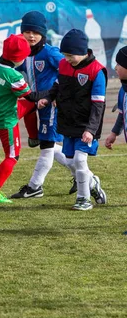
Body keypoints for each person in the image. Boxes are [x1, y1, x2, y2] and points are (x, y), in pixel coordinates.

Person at [37, 29, 107, 211]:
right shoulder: (64, 65)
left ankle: (83, 199)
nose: (67, 59)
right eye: (65, 55)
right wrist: (48, 98)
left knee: (80, 160)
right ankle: (92, 182)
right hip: (67, 122)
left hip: (86, 125)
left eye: (70, 55)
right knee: (70, 161)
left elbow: (98, 105)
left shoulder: (97, 71)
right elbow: (57, 86)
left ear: (83, 51)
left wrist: (91, 130)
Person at [11, 11, 77, 199]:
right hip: (40, 103)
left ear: (43, 34)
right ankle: (86, 178)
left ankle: (34, 187)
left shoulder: (50, 52)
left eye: (36, 32)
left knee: (47, 146)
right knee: (51, 145)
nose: (31, 35)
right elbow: (15, 71)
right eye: (28, 31)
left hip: (51, 104)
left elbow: (68, 69)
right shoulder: (25, 55)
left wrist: (57, 94)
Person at [0, 34, 42, 204]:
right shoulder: (13, 76)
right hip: (6, 120)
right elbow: (31, 96)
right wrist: (53, 93)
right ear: (20, 58)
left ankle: (34, 137)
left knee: (33, 107)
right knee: (13, 156)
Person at [104, 46, 127, 149]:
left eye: (119, 64)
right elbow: (122, 114)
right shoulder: (123, 90)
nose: (115, 68)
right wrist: (114, 133)